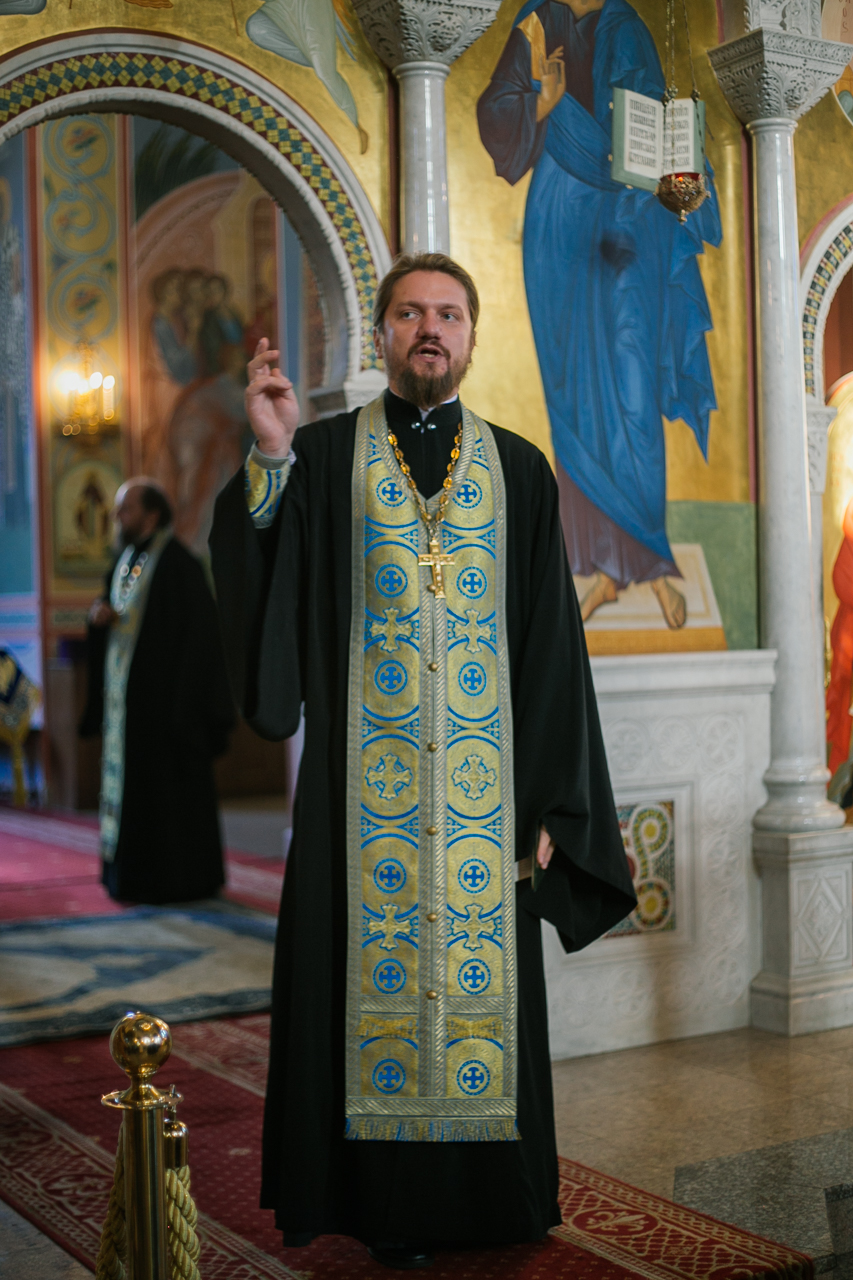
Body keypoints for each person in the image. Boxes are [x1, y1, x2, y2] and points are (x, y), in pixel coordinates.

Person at [210, 252, 636, 1268]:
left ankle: (494, 1200)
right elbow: (263, 582)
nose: (429, 329)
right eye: (408, 313)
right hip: (362, 808)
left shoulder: (519, 470)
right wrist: (267, 457)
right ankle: (381, 1206)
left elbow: (551, 646)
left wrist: (556, 801)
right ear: (382, 335)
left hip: (487, 811)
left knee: (485, 996)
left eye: (447, 313)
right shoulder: (319, 457)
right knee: (362, 994)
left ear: (473, 335)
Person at [477, 0, 721, 628]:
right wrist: (543, 104)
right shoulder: (538, 21)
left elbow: (666, 135)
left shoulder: (630, 27)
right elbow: (496, 112)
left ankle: (650, 561)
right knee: (573, 394)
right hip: (559, 216)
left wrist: (680, 163)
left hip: (629, 225)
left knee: (634, 389)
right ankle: (596, 569)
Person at [81, 477, 234, 904]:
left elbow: (200, 643)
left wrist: (183, 710)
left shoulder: (179, 566)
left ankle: (179, 881)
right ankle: (130, 878)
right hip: (130, 713)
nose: (117, 516)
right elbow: (111, 613)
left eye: (125, 508)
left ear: (151, 515)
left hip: (169, 713)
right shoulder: (125, 562)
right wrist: (98, 616)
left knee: (170, 798)